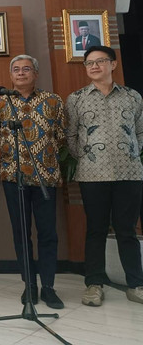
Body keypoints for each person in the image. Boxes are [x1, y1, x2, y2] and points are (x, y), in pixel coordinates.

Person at [65, 45, 143, 306]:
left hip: (129, 173)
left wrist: (130, 152)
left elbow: (141, 132)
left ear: (113, 64)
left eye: (100, 61)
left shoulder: (133, 97)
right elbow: (71, 136)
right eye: (89, 63)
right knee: (96, 230)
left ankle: (136, 284)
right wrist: (87, 157)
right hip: (92, 174)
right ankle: (94, 284)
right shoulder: (76, 98)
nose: (94, 66)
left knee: (127, 230)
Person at [0, 55, 66, 309]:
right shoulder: (1, 103)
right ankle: (29, 286)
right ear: (11, 75)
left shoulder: (53, 101)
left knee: (48, 234)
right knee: (21, 234)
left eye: (26, 69)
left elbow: (62, 136)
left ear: (35, 73)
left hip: (45, 176)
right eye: (16, 69)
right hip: (14, 177)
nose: (21, 73)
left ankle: (49, 287)